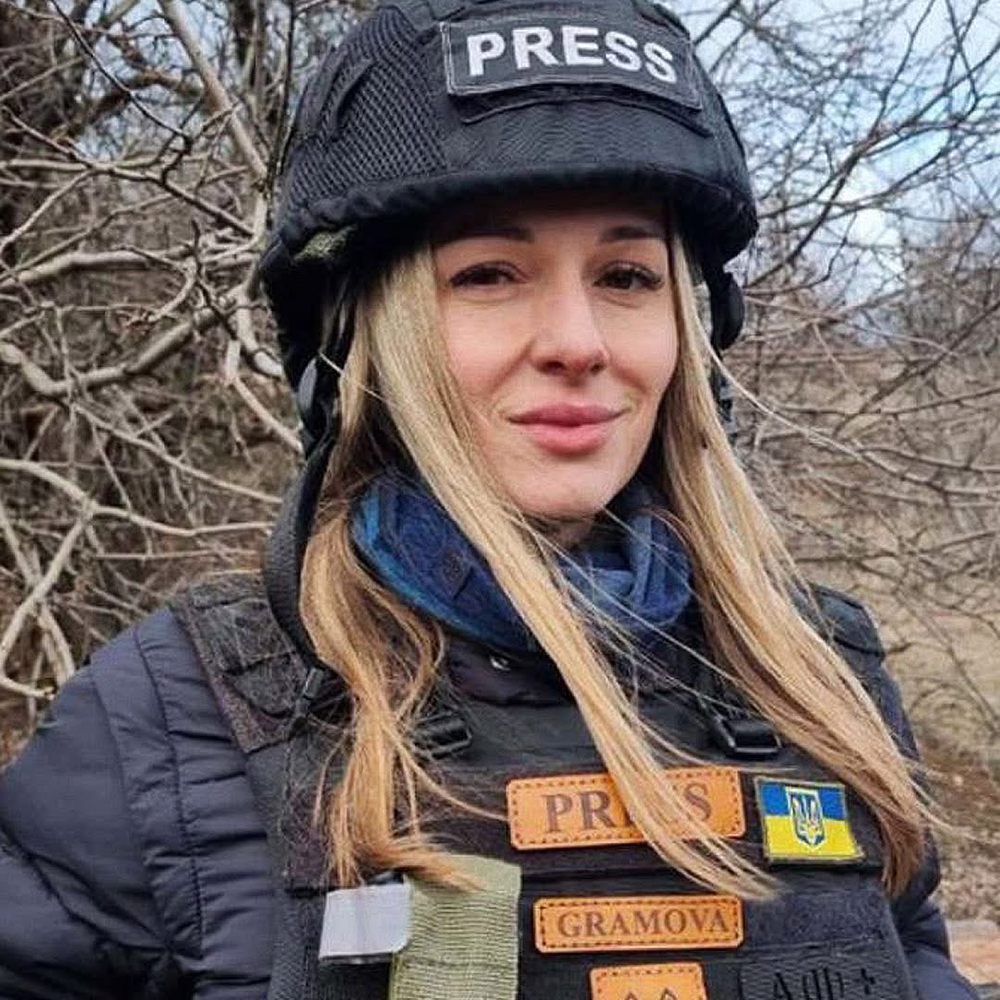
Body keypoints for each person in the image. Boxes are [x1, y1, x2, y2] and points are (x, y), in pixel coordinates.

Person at [0, 1, 979, 999]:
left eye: (626, 275)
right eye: (489, 274)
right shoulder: (170, 723)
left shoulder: (822, 681)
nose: (578, 341)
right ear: (359, 340)